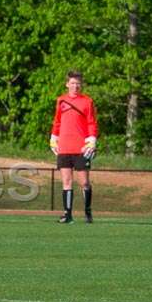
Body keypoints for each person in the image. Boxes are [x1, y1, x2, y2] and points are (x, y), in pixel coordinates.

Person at [50, 70, 98, 223]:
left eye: (78, 83)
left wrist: (92, 140)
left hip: (81, 148)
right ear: (67, 84)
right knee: (66, 181)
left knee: (84, 182)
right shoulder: (61, 100)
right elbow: (57, 121)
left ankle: (87, 211)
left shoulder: (87, 101)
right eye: (72, 83)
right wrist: (53, 138)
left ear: (81, 85)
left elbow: (91, 122)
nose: (75, 86)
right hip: (64, 147)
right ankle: (68, 214)